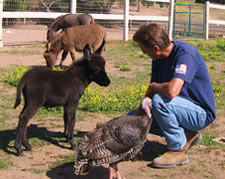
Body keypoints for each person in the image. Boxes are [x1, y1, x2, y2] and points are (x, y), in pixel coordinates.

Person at [130, 23, 216, 168]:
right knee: (137, 118)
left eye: (144, 49)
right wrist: (135, 119)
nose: (144, 53)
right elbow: (152, 94)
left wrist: (154, 87)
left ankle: (177, 149)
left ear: (156, 49)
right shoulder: (158, 60)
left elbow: (171, 91)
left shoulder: (185, 54)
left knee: (160, 102)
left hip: (200, 113)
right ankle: (187, 134)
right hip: (178, 108)